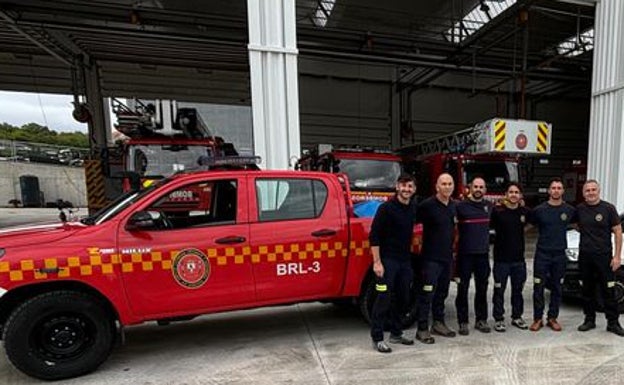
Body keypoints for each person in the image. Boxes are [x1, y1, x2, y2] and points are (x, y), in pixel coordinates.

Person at [369, 173, 418, 353]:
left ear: (414, 190)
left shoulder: (413, 207)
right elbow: (374, 236)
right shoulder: (386, 208)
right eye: (403, 186)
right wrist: (377, 262)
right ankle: (377, 338)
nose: (406, 189)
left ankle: (396, 334)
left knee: (404, 298)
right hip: (387, 261)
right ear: (397, 187)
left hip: (405, 261)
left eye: (410, 186)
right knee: (383, 298)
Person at [575, 180, 624, 336]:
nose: (590, 192)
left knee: (609, 290)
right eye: (587, 190)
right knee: (587, 290)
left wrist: (617, 257)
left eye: (593, 189)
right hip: (585, 257)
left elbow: (617, 231)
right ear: (583, 193)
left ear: (599, 191)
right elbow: (576, 226)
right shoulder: (579, 209)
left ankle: (613, 323)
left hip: (604, 257)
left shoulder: (608, 208)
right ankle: (589, 320)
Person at [528, 178, 576, 332]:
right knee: (538, 287)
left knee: (557, 287)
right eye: (553, 188)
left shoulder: (569, 210)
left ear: (563, 191)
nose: (556, 190)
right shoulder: (539, 210)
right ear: (549, 191)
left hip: (559, 255)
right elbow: (527, 226)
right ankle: (537, 319)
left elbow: (580, 226)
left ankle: (552, 318)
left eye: (559, 188)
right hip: (542, 254)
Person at [414, 173, 457, 344]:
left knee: (442, 293)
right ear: (437, 187)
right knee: (427, 294)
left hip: (447, 258)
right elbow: (413, 223)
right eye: (443, 184)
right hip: (430, 259)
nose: (447, 186)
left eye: (450, 183)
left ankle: (438, 324)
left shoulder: (453, 206)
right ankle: (422, 329)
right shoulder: (427, 206)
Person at [455, 176, 493, 335]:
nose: (478, 190)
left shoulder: (489, 206)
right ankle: (463, 322)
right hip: (465, 255)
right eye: (475, 187)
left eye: (481, 187)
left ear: (485, 190)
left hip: (483, 255)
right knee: (462, 289)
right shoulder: (460, 206)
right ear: (469, 188)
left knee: (482, 289)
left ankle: (481, 320)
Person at [490, 182, 530, 332]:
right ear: (506, 194)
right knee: (499, 290)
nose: (514, 195)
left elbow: (530, 224)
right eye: (511, 192)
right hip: (501, 260)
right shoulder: (497, 211)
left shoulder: (525, 212)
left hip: (518, 260)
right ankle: (499, 318)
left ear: (520, 195)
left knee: (517, 290)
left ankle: (517, 317)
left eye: (516, 192)